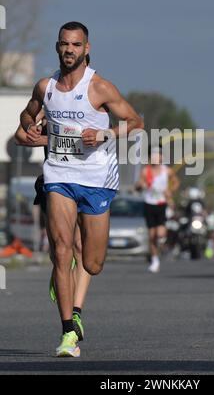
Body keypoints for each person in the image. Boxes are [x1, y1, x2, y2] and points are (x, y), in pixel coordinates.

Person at [20, 21, 144, 357]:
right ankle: (68, 331)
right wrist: (30, 128)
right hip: (58, 174)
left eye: (76, 45)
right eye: (64, 44)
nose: (69, 50)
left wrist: (104, 135)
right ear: (57, 47)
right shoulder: (45, 87)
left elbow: (135, 123)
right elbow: (26, 117)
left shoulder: (100, 88)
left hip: (96, 178)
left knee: (91, 262)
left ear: (86, 48)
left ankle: (70, 281)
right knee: (62, 249)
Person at [15, 109, 92, 343]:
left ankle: (75, 313)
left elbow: (106, 137)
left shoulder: (91, 107)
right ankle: (61, 274)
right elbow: (20, 136)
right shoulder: (51, 105)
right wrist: (37, 126)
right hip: (57, 184)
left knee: (81, 248)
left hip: (88, 182)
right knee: (61, 251)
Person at [136, 146, 180, 273]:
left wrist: (170, 191)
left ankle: (162, 246)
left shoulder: (167, 171)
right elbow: (138, 186)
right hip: (149, 203)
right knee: (152, 235)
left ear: (162, 156)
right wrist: (140, 185)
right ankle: (155, 260)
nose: (155, 157)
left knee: (160, 234)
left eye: (158, 154)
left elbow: (176, 182)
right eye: (153, 154)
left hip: (161, 204)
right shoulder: (146, 171)